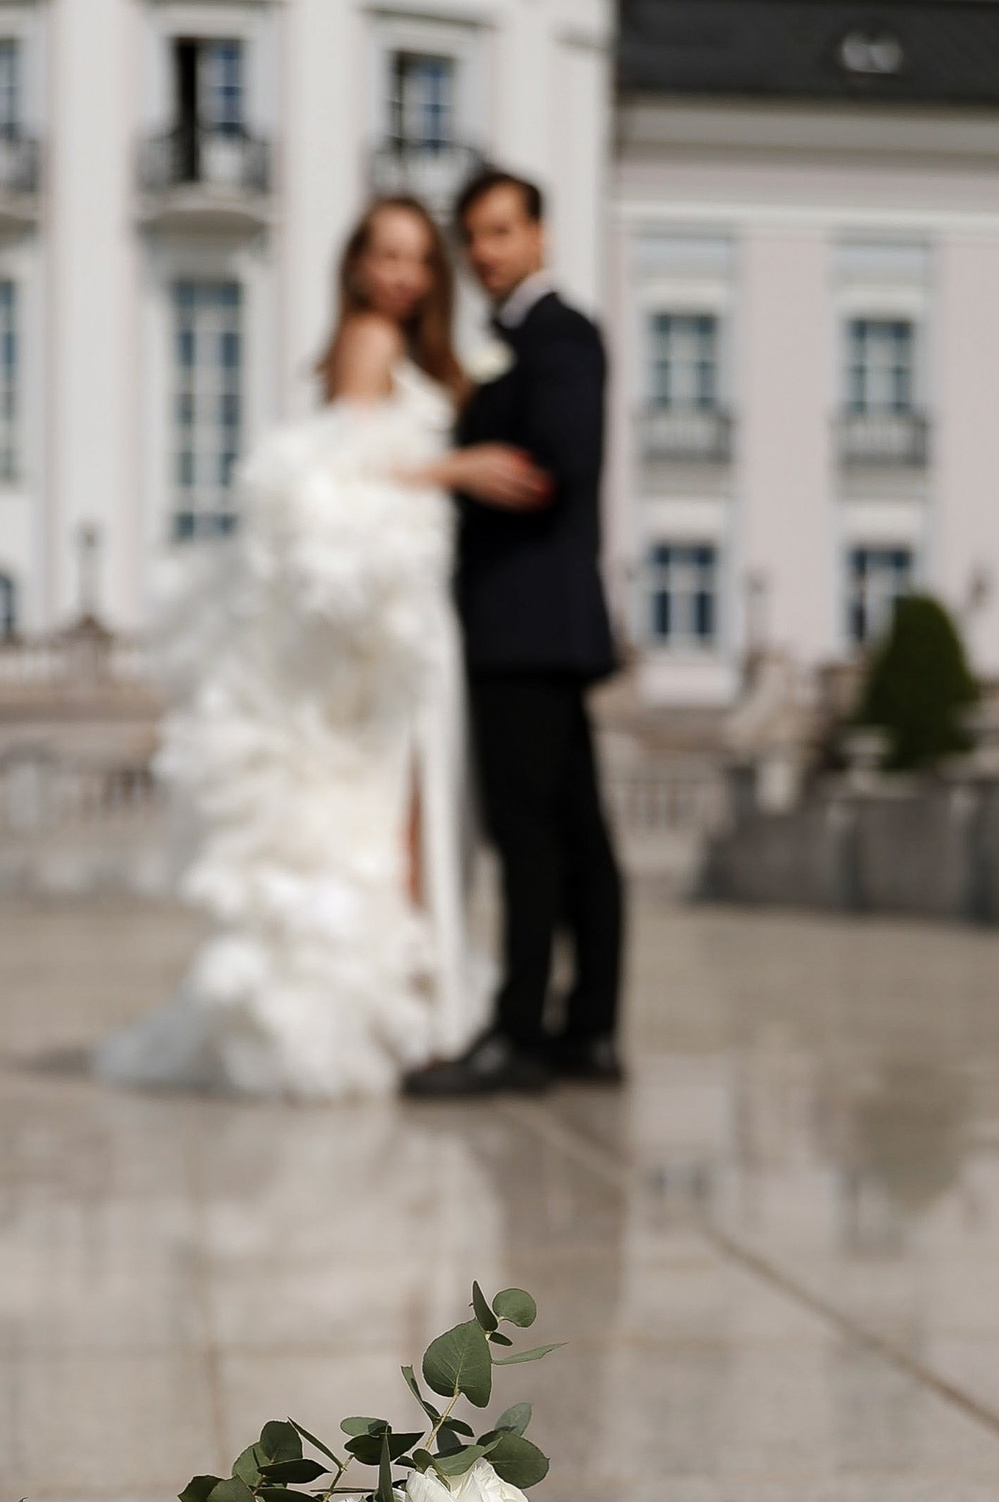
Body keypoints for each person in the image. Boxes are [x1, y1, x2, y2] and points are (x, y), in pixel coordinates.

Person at [97, 197, 490, 1099]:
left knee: (405, 804)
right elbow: (343, 479)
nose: (403, 274)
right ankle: (412, 1009)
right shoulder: (371, 341)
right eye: (387, 255)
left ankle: (407, 1002)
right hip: (396, 613)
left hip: (408, 600)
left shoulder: (390, 347)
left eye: (418, 259)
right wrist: (459, 468)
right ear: (356, 265)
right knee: (404, 807)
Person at [403, 166, 626, 1099]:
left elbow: (553, 465)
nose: (485, 252)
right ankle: (590, 1031)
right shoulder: (509, 341)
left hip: (525, 625)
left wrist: (461, 470)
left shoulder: (558, 334)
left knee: (530, 834)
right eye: (474, 237)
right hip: (536, 626)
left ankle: (522, 1035)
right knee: (575, 832)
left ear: (540, 235)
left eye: (501, 232)